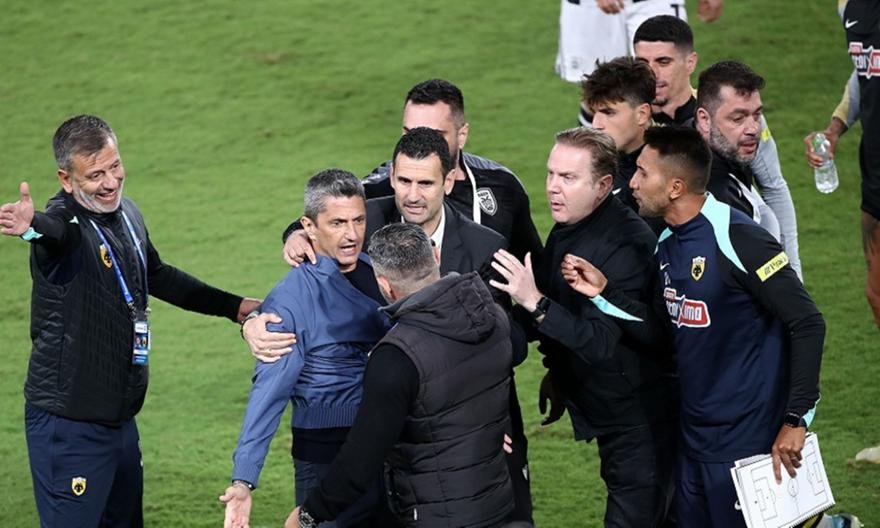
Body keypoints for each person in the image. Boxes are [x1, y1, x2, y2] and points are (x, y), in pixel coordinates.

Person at [247, 128, 534, 526]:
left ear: (449, 182)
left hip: (451, 452)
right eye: (403, 181)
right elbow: (320, 225)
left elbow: (505, 348)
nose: (412, 195)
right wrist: (252, 320)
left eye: (425, 183)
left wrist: (481, 424)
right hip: (406, 450)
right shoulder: (365, 221)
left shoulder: (485, 247)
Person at [0, 115, 260, 527]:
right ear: (66, 179)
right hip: (70, 427)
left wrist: (233, 306)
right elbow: (53, 233)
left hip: (120, 422)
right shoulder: (65, 225)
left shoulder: (126, 213)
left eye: (115, 166)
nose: (110, 183)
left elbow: (156, 274)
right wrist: (30, 227)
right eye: (94, 175)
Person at [622, 125, 825, 527]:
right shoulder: (667, 243)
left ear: (676, 187)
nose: (632, 183)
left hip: (750, 443)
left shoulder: (739, 239)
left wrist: (796, 419)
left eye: (643, 172)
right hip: (695, 440)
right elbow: (667, 333)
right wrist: (600, 295)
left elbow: (807, 322)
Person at [490, 127, 678, 527]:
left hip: (640, 421)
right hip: (613, 411)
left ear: (603, 186)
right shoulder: (572, 224)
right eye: (551, 173)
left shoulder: (626, 244)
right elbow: (564, 306)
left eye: (568, 178)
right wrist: (558, 371)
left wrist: (535, 302)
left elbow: (600, 343)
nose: (552, 187)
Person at [287, 223, 516, 528]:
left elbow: (360, 461)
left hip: (435, 516)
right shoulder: (492, 314)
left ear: (384, 284)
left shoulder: (396, 356)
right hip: (496, 502)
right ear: (436, 255)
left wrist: (308, 515)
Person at [220, 169, 392, 528]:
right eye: (337, 223)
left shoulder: (378, 270)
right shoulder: (289, 301)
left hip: (391, 446)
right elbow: (268, 393)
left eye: (359, 220)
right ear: (309, 227)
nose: (351, 234)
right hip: (328, 455)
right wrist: (243, 479)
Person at [633, 15, 803, 279]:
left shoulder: (731, 115)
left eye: (663, 62)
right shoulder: (630, 126)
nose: (651, 73)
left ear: (690, 62)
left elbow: (773, 186)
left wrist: (792, 269)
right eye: (642, 63)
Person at [331, 78, 542, 263]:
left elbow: (535, 270)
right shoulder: (379, 187)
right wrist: (308, 236)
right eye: (410, 133)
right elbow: (327, 215)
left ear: (461, 135)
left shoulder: (502, 186)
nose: (421, 143)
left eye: (435, 135)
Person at [804, 0, 880, 327]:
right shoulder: (848, 5)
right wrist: (835, 128)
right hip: (875, 166)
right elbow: (865, 68)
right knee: (876, 293)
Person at [556, 1, 724, 126]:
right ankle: (590, 157)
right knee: (600, 88)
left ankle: (685, 142)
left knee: (670, 71)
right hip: (591, 6)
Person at [581, 55, 655, 213]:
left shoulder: (670, 170)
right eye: (594, 113)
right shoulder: (595, 167)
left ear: (642, 114)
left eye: (609, 113)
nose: (596, 125)